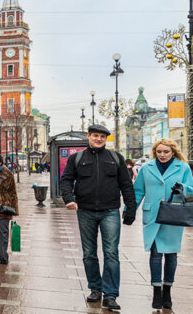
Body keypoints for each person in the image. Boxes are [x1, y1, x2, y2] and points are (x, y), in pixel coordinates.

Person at [60, 124, 137, 311]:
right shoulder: (77, 158)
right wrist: (69, 199)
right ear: (88, 136)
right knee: (89, 252)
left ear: (106, 139)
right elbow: (66, 180)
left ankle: (110, 294)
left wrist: (131, 208)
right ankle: (95, 288)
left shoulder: (115, 158)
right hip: (85, 210)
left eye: (102, 136)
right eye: (95, 136)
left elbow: (126, 185)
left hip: (110, 210)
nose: (99, 139)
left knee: (111, 252)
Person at [132, 138, 193, 309]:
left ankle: (167, 290)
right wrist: (129, 211)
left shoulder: (183, 167)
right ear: (154, 152)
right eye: (159, 152)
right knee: (156, 253)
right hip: (153, 215)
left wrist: (182, 187)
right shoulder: (147, 168)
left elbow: (191, 190)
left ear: (173, 151)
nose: (162, 155)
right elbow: (138, 191)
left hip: (173, 214)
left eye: (166, 151)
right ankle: (156, 291)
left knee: (171, 254)